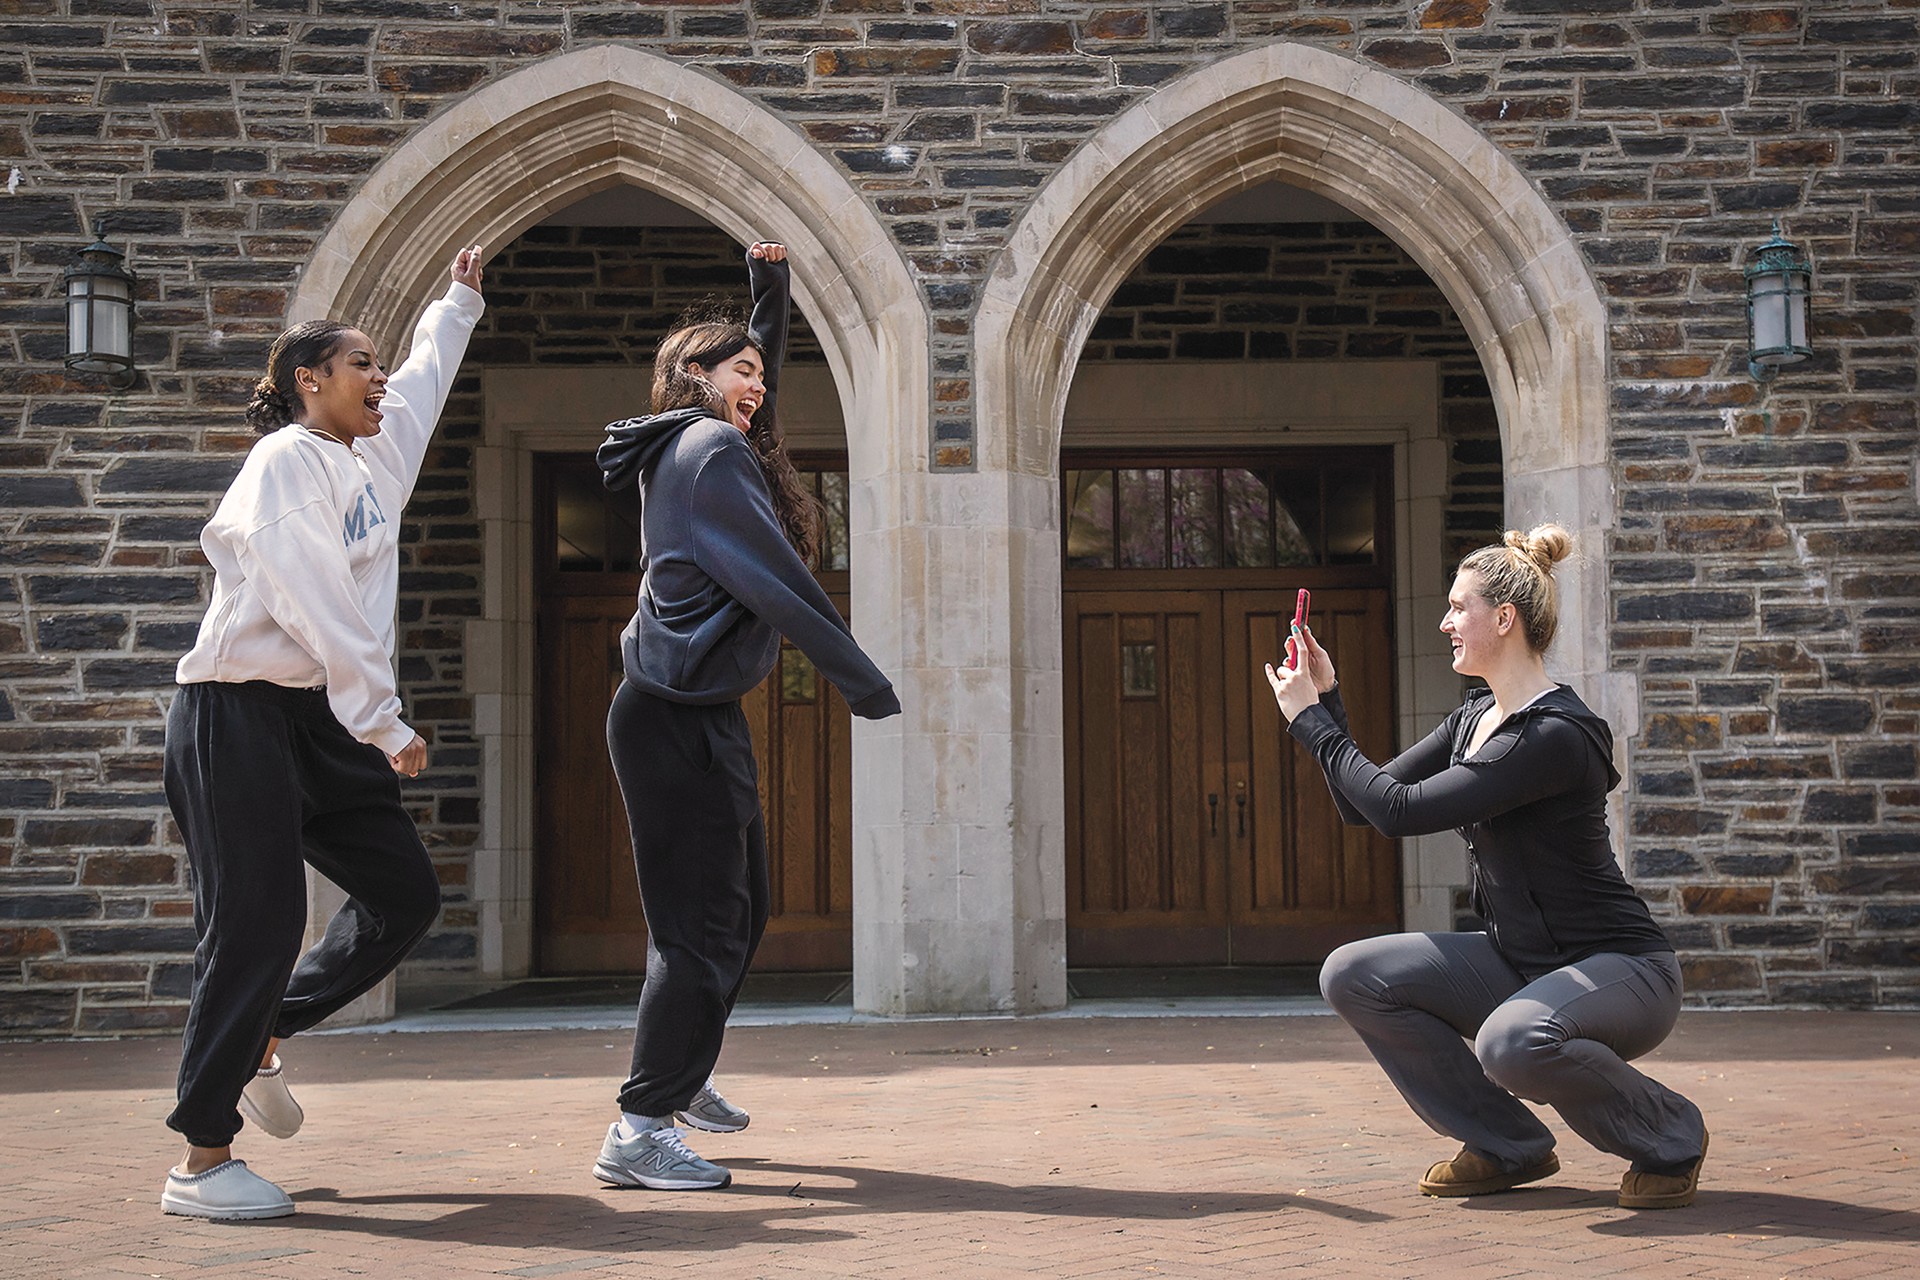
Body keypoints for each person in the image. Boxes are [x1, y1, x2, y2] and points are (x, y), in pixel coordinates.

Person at [159, 246, 486, 1220]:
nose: (379, 376)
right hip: (238, 712)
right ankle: (202, 1158)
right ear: (310, 381)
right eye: (359, 363)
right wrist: (382, 720)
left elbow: (422, 387)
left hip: (318, 720)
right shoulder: (286, 463)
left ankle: (267, 1028)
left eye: (379, 363)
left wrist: (458, 300)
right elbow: (315, 600)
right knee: (255, 921)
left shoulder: (369, 459)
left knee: (404, 894)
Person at [1266, 525, 1708, 1210]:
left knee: (1513, 1042)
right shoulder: (1475, 716)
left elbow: (1398, 811)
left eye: (1457, 607)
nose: (1445, 622)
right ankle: (1507, 1144)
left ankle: (1670, 1136)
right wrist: (1326, 705)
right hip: (1521, 962)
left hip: (1623, 970)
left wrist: (1311, 723)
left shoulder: (1554, 734)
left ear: (1503, 619)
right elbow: (1369, 804)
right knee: (1354, 973)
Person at [594, 241, 899, 1192]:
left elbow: (740, 376)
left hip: (694, 714)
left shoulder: (699, 439)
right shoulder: (708, 448)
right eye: (743, 371)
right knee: (700, 929)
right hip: (670, 718)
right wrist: (863, 682)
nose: (759, 385)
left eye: (763, 373)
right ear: (693, 375)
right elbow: (779, 583)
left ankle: (680, 1079)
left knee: (741, 910)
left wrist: (771, 299)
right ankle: (639, 1129)